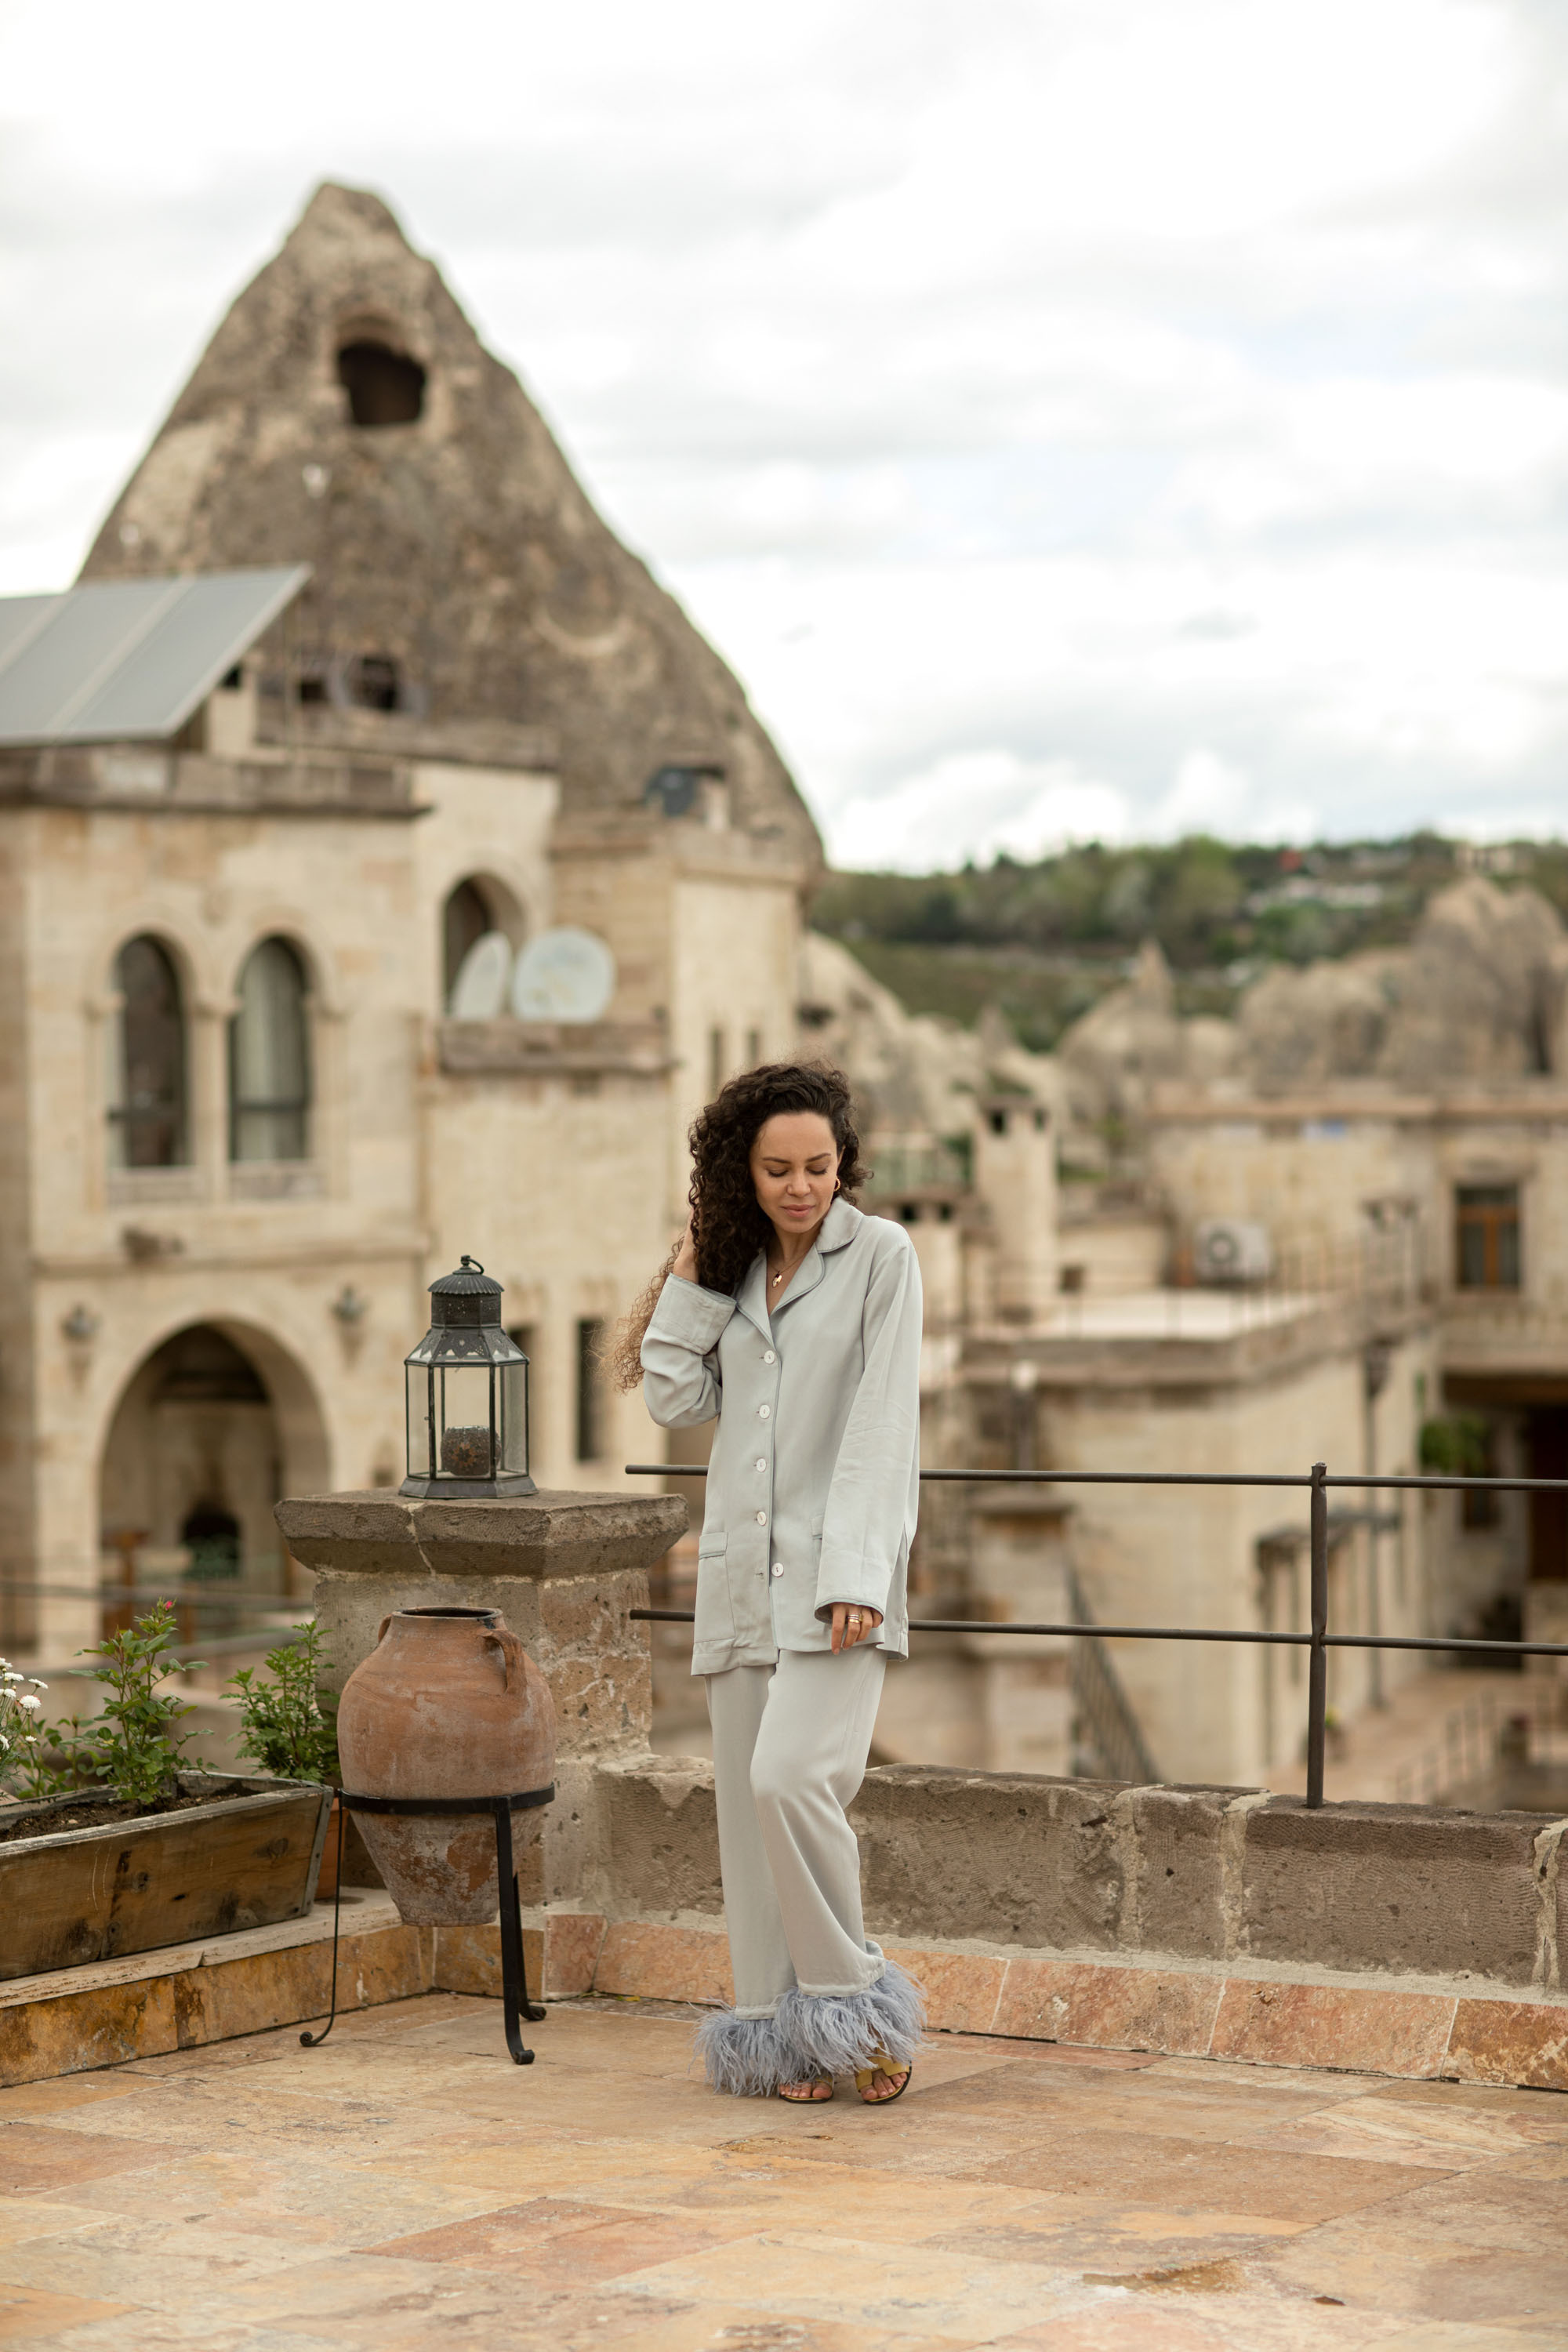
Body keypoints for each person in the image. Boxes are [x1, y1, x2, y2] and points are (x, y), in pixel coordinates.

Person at [608, 1061, 924, 2103]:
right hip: (739, 1575)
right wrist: (694, 1268)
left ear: (844, 1164)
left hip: (838, 1582)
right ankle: (779, 2033)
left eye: (819, 1166)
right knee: (748, 1817)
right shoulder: (735, 1270)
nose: (802, 1187)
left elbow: (885, 1422)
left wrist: (860, 1574)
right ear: (741, 1172)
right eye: (779, 1169)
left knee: (792, 1780)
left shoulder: (882, 1256)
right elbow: (671, 1397)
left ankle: (856, 2009)